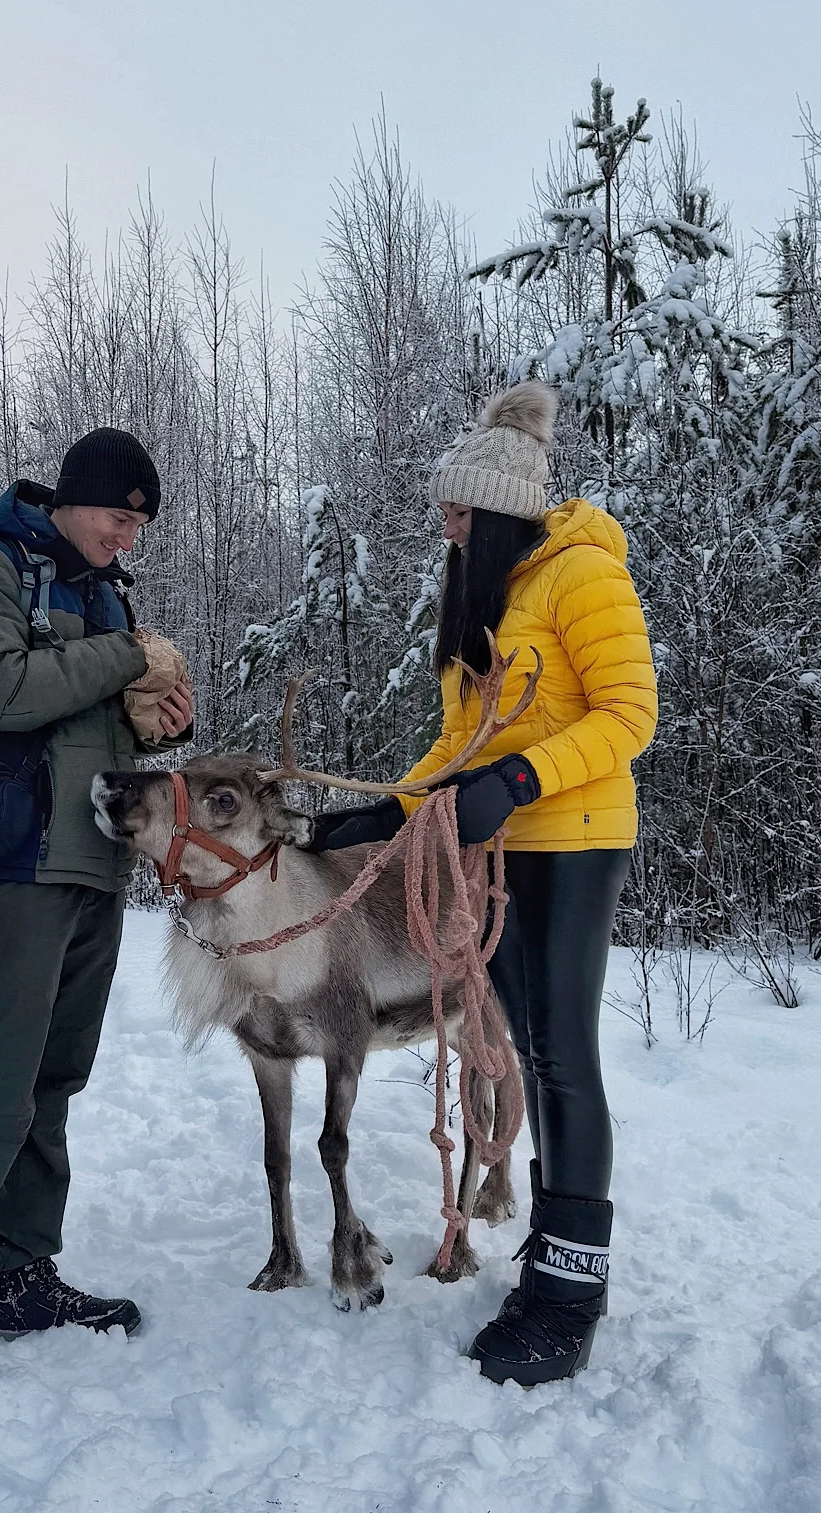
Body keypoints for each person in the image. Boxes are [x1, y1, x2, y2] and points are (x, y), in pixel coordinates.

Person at [310, 383, 658, 1386]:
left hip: (576, 840)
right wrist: (386, 809)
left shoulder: (584, 576)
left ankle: (570, 1291)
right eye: (444, 513)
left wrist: (516, 779)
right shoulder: (491, 594)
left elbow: (629, 716)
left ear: (499, 510)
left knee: (561, 1057)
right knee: (525, 1050)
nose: (446, 526)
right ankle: (553, 1254)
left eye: (458, 512)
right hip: (499, 849)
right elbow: (463, 739)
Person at [0, 428, 194, 1398]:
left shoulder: (104, 595)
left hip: (98, 863)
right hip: (16, 862)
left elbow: (100, 711)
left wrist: (163, 718)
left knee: (57, 1077)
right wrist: (121, 657)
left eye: (140, 526)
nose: (126, 538)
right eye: (118, 517)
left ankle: (20, 1272)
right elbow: (2, 692)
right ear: (74, 498)